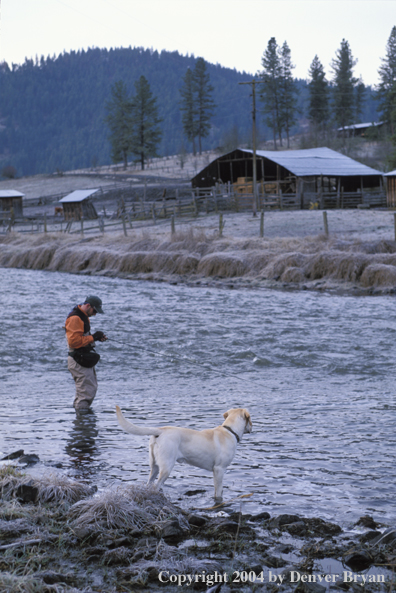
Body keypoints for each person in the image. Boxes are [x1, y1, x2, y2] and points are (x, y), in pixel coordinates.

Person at [65, 295, 107, 411]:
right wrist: (93, 337)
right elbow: (74, 342)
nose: (94, 314)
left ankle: (81, 420)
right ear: (88, 305)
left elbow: (81, 337)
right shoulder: (75, 318)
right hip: (78, 359)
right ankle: (83, 423)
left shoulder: (83, 316)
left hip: (81, 357)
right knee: (86, 392)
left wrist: (96, 338)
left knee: (88, 390)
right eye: (94, 311)